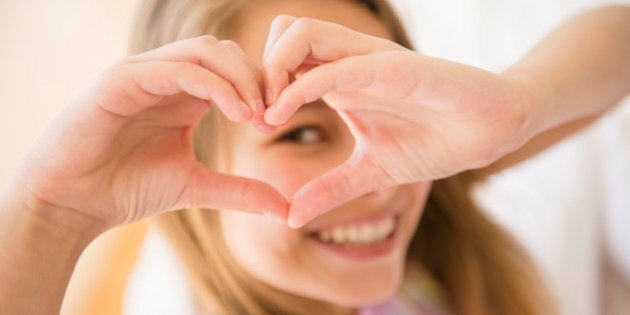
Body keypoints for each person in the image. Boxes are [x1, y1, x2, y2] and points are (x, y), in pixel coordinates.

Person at [0, 0, 627, 314]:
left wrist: (518, 107)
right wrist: (50, 215)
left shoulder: (412, 171)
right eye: (301, 134)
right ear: (183, 165)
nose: (379, 183)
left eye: (379, 112)